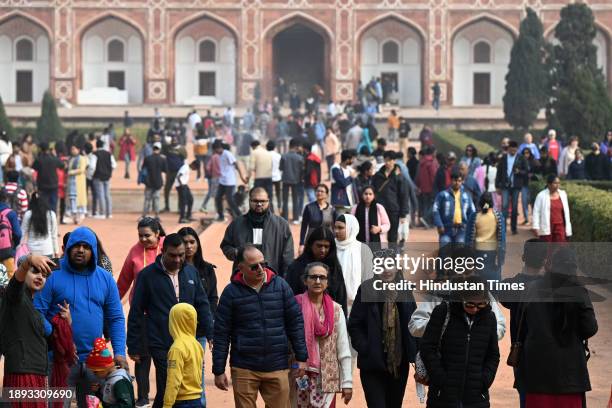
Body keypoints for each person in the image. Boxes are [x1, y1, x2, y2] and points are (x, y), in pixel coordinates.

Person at [34, 227, 128, 403]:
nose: (81, 250)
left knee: (94, 405)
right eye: (76, 245)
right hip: (59, 361)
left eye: (86, 246)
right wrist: (56, 336)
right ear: (68, 248)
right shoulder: (52, 276)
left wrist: (120, 352)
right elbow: (37, 312)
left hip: (96, 364)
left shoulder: (105, 279)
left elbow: (115, 318)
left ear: (93, 250)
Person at [212, 245, 308, 408]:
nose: (260, 269)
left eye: (263, 264)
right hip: (244, 367)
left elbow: (295, 323)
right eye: (254, 266)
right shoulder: (231, 293)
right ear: (241, 268)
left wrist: (301, 357)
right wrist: (218, 370)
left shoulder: (281, 286)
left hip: (277, 365)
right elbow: (221, 333)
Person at [127, 233, 214, 408]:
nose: (177, 259)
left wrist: (211, 333)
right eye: (172, 255)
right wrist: (134, 345)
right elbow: (136, 311)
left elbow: (202, 304)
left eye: (181, 255)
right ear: (163, 251)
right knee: (168, 382)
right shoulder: (147, 276)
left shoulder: (191, 272)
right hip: (160, 341)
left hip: (188, 342)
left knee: (186, 385)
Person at [518, 249, 598, 408]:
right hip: (570, 374)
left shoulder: (532, 288)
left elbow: (523, 323)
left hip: (537, 370)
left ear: (550, 265)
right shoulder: (579, 291)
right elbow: (590, 328)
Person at [348, 255, 417, 408]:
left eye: (390, 265)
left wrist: (414, 354)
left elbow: (414, 324)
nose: (386, 270)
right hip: (372, 364)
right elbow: (354, 324)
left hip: (399, 364)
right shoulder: (366, 289)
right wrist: (366, 347)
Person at [420, 280, 500, 408]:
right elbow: (427, 348)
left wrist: (485, 380)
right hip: (443, 396)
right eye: (470, 304)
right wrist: (440, 379)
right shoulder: (442, 312)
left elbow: (493, 355)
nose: (475, 309)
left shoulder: (489, 318)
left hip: (477, 397)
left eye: (481, 305)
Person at [116, 217, 165, 407]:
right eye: (140, 235)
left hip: (164, 314)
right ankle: (142, 397)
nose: (143, 239)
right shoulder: (135, 251)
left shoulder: (167, 248)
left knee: (163, 359)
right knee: (141, 358)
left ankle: (163, 397)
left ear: (157, 234)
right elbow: (123, 281)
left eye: (147, 236)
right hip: (141, 313)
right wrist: (111, 304)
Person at [292, 262, 353, 407]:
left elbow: (343, 348)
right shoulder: (295, 306)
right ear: (305, 280)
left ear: (327, 282)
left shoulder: (336, 310)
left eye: (322, 277)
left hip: (327, 378)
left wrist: (347, 382)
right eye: (313, 277)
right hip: (299, 374)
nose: (318, 281)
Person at [0, 254, 58, 404]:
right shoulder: (15, 297)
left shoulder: (32, 307)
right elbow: (15, 285)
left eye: (44, 275)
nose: (40, 277)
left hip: (36, 375)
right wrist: (28, 262)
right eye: (35, 271)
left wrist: (66, 323)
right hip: (23, 376)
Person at [499, 238, 546, 408]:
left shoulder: (511, 286)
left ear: (523, 257)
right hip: (549, 354)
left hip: (522, 353)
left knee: (526, 400)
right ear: (545, 260)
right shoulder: (552, 287)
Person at [221, 187, 294, 278]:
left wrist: (285, 278)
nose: (259, 204)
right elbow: (226, 245)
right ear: (249, 201)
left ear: (268, 201)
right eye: (255, 201)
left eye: (263, 201)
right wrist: (236, 253)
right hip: (243, 278)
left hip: (272, 278)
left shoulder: (281, 225)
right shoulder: (237, 223)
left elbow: (288, 256)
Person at [287, 227, 348, 313]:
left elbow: (341, 297)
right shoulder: (296, 267)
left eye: (326, 246)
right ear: (311, 245)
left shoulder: (335, 268)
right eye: (319, 246)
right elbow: (290, 298)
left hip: (331, 317)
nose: (323, 250)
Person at [163, 304, 205, 408]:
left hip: (182, 401)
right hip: (197, 399)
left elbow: (173, 380)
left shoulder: (176, 348)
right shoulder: (197, 345)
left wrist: (167, 404)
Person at [334, 214, 374, 315]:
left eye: (340, 228)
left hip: (357, 304)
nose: (336, 231)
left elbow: (368, 278)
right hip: (333, 303)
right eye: (335, 227)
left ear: (351, 228)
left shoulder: (362, 249)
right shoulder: (330, 247)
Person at [465, 192, 506, 282]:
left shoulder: (474, 216)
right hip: (493, 255)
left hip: (477, 254)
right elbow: (502, 239)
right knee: (494, 284)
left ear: (480, 203)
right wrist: (501, 258)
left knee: (478, 284)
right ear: (492, 203)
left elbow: (468, 238)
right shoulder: (498, 216)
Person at [372, 151, 409, 244]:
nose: (387, 162)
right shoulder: (377, 175)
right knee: (378, 233)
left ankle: (391, 257)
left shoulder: (400, 177)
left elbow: (404, 195)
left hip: (393, 210)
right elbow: (373, 190)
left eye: (390, 160)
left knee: (392, 236)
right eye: (386, 160)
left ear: (394, 161)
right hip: (379, 209)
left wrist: (403, 213)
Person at [87, 338, 135, 408]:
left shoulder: (119, 381)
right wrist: (98, 391)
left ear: (104, 369)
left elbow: (126, 405)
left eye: (96, 372)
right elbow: (109, 399)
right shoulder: (109, 378)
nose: (95, 374)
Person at [433, 171, 476, 246]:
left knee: (460, 248)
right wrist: (439, 225)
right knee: (444, 246)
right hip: (446, 229)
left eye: (459, 181)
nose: (457, 183)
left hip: (462, 230)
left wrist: (471, 227)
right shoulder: (443, 195)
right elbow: (435, 210)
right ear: (451, 180)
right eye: (454, 180)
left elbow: (472, 212)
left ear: (462, 181)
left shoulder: (467, 196)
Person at [496, 140, 528, 235]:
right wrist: (497, 185)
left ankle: (514, 228)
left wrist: (519, 172)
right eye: (511, 150)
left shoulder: (521, 158)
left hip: (516, 186)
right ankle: (503, 228)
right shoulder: (504, 158)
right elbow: (499, 172)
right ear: (508, 149)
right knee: (504, 206)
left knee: (514, 207)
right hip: (505, 185)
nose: (513, 151)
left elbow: (526, 171)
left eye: (514, 150)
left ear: (517, 149)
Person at [532, 175, 572, 242]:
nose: (557, 185)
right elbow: (536, 212)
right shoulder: (541, 196)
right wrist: (535, 226)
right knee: (547, 249)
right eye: (555, 183)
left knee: (561, 247)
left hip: (560, 226)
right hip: (547, 226)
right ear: (549, 184)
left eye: (558, 183)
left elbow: (566, 212)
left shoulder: (563, 194)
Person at [214, 141, 246, 222]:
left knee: (230, 199)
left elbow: (236, 164)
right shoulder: (219, 155)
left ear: (220, 148)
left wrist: (241, 176)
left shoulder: (227, 154)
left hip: (229, 181)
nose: (216, 151)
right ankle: (221, 216)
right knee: (217, 198)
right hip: (222, 181)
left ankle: (239, 215)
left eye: (217, 149)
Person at [20, 192, 59, 257]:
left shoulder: (28, 214)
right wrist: (56, 252)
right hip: (47, 250)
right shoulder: (51, 215)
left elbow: (22, 234)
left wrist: (19, 248)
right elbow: (54, 236)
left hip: (31, 252)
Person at [299, 184, 336, 253]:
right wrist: (301, 244)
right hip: (312, 241)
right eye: (318, 191)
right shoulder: (309, 207)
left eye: (322, 191)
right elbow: (304, 227)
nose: (319, 193)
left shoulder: (332, 209)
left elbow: (335, 227)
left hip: (327, 242)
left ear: (327, 195)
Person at [32, 142, 63, 213]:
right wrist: (55, 156)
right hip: (53, 185)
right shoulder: (53, 158)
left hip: (42, 185)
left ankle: (44, 220)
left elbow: (34, 167)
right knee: (53, 205)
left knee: (43, 204)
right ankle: (53, 220)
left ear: (40, 149)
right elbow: (62, 165)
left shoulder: (38, 159)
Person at [280, 139, 305, 223]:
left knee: (285, 199)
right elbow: (302, 170)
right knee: (295, 199)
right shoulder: (300, 157)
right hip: (296, 180)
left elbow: (281, 168)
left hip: (285, 179)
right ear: (296, 146)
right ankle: (295, 218)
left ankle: (285, 218)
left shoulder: (283, 156)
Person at [0, 188, 22, 278]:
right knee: (9, 281)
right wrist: (13, 245)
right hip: (7, 251)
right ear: (6, 199)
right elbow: (18, 234)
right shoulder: (10, 213)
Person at [142, 142, 167, 219]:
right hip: (158, 182)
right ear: (159, 149)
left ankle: (144, 215)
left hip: (148, 182)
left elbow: (143, 169)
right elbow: (165, 170)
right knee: (156, 199)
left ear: (153, 148)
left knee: (147, 199)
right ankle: (157, 215)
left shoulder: (147, 158)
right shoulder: (162, 159)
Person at [162, 136, 187, 213]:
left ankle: (180, 208)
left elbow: (185, 158)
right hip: (170, 172)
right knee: (166, 190)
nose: (174, 142)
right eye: (172, 141)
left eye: (175, 140)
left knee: (180, 190)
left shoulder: (181, 149)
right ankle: (167, 207)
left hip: (178, 173)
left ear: (178, 141)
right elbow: (162, 148)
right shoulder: (168, 148)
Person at [93, 139, 116, 219]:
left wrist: (90, 175)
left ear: (96, 145)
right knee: (107, 194)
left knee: (101, 194)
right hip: (107, 176)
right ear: (102, 145)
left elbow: (92, 166)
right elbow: (114, 165)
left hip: (98, 176)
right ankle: (109, 213)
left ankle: (102, 213)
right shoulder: (109, 154)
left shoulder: (95, 154)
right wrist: (110, 172)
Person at [416, 146, 439, 227]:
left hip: (423, 187)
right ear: (433, 153)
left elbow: (418, 176)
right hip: (430, 188)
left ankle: (423, 221)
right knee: (430, 205)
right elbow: (433, 176)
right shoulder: (431, 162)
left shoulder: (421, 162)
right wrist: (435, 187)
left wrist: (418, 186)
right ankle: (426, 220)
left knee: (425, 205)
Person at [67, 144, 88, 224]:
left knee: (79, 200)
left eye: (74, 149)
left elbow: (82, 169)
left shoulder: (82, 159)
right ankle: (74, 216)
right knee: (73, 199)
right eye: (72, 149)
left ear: (78, 150)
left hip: (79, 182)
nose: (73, 151)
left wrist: (71, 172)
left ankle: (79, 217)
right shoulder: (71, 159)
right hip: (71, 182)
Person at [175, 159, 197, 224]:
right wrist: (181, 185)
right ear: (193, 165)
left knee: (190, 199)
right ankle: (181, 219)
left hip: (184, 185)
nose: (194, 169)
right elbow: (178, 177)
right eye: (195, 168)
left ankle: (188, 216)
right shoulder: (185, 167)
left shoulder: (187, 168)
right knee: (183, 202)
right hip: (181, 186)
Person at [267, 141, 283, 211]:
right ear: (274, 147)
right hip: (277, 177)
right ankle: (279, 207)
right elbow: (281, 167)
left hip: (268, 177)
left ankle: (271, 209)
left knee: (269, 195)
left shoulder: (265, 155)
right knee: (278, 193)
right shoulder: (278, 155)